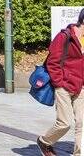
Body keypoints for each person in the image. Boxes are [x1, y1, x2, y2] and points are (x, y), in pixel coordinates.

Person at [37, 8, 84, 156]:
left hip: (80, 86)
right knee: (64, 123)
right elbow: (52, 61)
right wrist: (59, 82)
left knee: (81, 124)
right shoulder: (65, 36)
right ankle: (44, 141)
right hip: (63, 85)